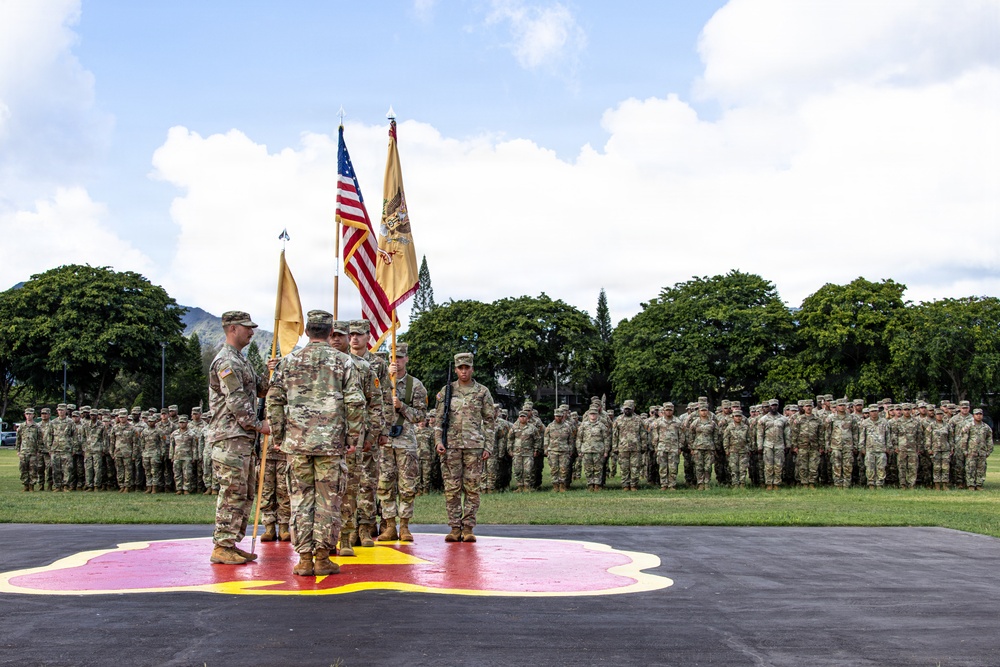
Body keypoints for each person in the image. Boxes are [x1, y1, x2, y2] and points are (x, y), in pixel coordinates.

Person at [266, 310, 365, 576]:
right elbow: (355, 402)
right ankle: (322, 557)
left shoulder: (288, 362)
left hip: (297, 444)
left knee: (300, 500)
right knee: (328, 501)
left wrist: (279, 436)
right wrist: (353, 437)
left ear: (307, 332)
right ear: (331, 333)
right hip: (331, 445)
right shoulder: (343, 362)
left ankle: (305, 559)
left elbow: (273, 401)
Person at [207, 310, 276, 566]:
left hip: (242, 439)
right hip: (230, 438)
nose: (251, 331)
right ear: (232, 328)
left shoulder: (241, 360)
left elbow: (260, 389)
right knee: (232, 491)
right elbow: (236, 400)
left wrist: (273, 374)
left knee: (244, 492)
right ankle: (222, 545)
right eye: (247, 327)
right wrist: (260, 425)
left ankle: (231, 543)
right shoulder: (227, 362)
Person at [434, 352, 496, 543]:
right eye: (460, 368)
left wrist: (488, 446)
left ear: (472, 368)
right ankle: (454, 527)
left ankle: (468, 527)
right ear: (456, 369)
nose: (463, 371)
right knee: (452, 488)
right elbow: (438, 419)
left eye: (466, 367)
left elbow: (490, 421)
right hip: (451, 446)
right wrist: (438, 441)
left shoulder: (482, 392)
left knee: (472, 488)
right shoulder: (447, 391)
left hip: (474, 447)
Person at [376, 342, 427, 542]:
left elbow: (420, 415)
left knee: (407, 485)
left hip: (406, 442)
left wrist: (402, 406)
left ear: (406, 359)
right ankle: (389, 525)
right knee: (385, 484)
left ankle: (404, 525)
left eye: (400, 357)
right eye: (393, 357)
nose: (396, 361)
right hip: (385, 440)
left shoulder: (416, 385)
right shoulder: (380, 382)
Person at [348, 319, 390, 547]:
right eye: (351, 334)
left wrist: (383, 429)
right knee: (348, 481)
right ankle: (349, 528)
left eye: (359, 334)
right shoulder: (341, 360)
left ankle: (365, 527)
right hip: (347, 432)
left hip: (370, 430)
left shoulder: (377, 363)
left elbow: (384, 398)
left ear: (368, 337)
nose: (354, 338)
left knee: (368, 481)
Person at [613, 400, 644, 491]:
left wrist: (644, 446)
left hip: (636, 447)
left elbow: (643, 434)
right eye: (625, 409)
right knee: (624, 468)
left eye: (629, 409)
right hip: (623, 447)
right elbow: (615, 435)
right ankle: (625, 485)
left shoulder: (638, 419)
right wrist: (614, 447)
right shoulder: (618, 419)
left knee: (635, 467)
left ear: (633, 409)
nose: (627, 411)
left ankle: (634, 485)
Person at [577, 407, 610, 491]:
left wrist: (606, 451)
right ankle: (590, 484)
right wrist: (579, 450)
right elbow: (579, 438)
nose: (593, 416)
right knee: (588, 468)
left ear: (597, 415)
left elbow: (606, 438)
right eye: (591, 414)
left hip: (598, 450)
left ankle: (597, 485)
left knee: (598, 468)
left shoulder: (601, 425)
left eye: (594, 414)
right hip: (586, 450)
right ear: (588, 415)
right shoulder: (583, 425)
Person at [543, 406, 575, 491]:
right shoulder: (550, 426)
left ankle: (562, 485)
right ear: (554, 416)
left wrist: (571, 450)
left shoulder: (567, 426)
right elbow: (546, 438)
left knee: (564, 469)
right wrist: (546, 450)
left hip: (564, 451)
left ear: (563, 416)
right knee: (554, 469)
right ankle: (555, 485)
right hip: (552, 451)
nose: (558, 418)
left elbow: (571, 439)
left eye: (560, 416)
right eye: (557, 416)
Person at [508, 410, 541, 492]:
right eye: (521, 416)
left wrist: (536, 449)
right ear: (518, 418)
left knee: (528, 470)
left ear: (527, 418)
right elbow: (510, 439)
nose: (522, 418)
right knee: (517, 470)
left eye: (524, 417)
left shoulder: (532, 428)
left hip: (528, 453)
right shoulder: (514, 427)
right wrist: (510, 450)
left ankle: (527, 486)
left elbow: (537, 439)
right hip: (517, 453)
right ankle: (519, 486)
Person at [961, 408, 993, 491]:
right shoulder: (968, 426)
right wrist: (965, 450)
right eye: (977, 414)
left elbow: (989, 440)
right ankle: (971, 485)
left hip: (982, 452)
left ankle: (979, 484)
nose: (979, 416)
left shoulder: (986, 427)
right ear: (974, 415)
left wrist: (989, 451)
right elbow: (964, 439)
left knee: (981, 469)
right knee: (970, 468)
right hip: (971, 451)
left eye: (980, 414)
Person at [170, 415, 198, 495]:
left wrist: (194, 456)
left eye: (183, 422)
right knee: (177, 473)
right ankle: (179, 488)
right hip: (177, 456)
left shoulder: (192, 434)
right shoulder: (174, 433)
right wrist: (171, 456)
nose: (182, 424)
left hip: (187, 456)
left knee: (187, 474)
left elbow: (194, 446)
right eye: (180, 422)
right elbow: (172, 446)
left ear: (187, 423)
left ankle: (186, 489)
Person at [16, 408, 43, 491]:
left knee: (33, 469)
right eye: (27, 414)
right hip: (23, 451)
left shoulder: (37, 426)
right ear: (25, 415)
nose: (29, 415)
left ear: (33, 415)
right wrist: (18, 450)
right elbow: (18, 439)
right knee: (23, 469)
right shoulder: (21, 426)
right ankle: (25, 485)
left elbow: (40, 440)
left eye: (30, 414)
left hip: (33, 451)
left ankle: (32, 486)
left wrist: (39, 451)